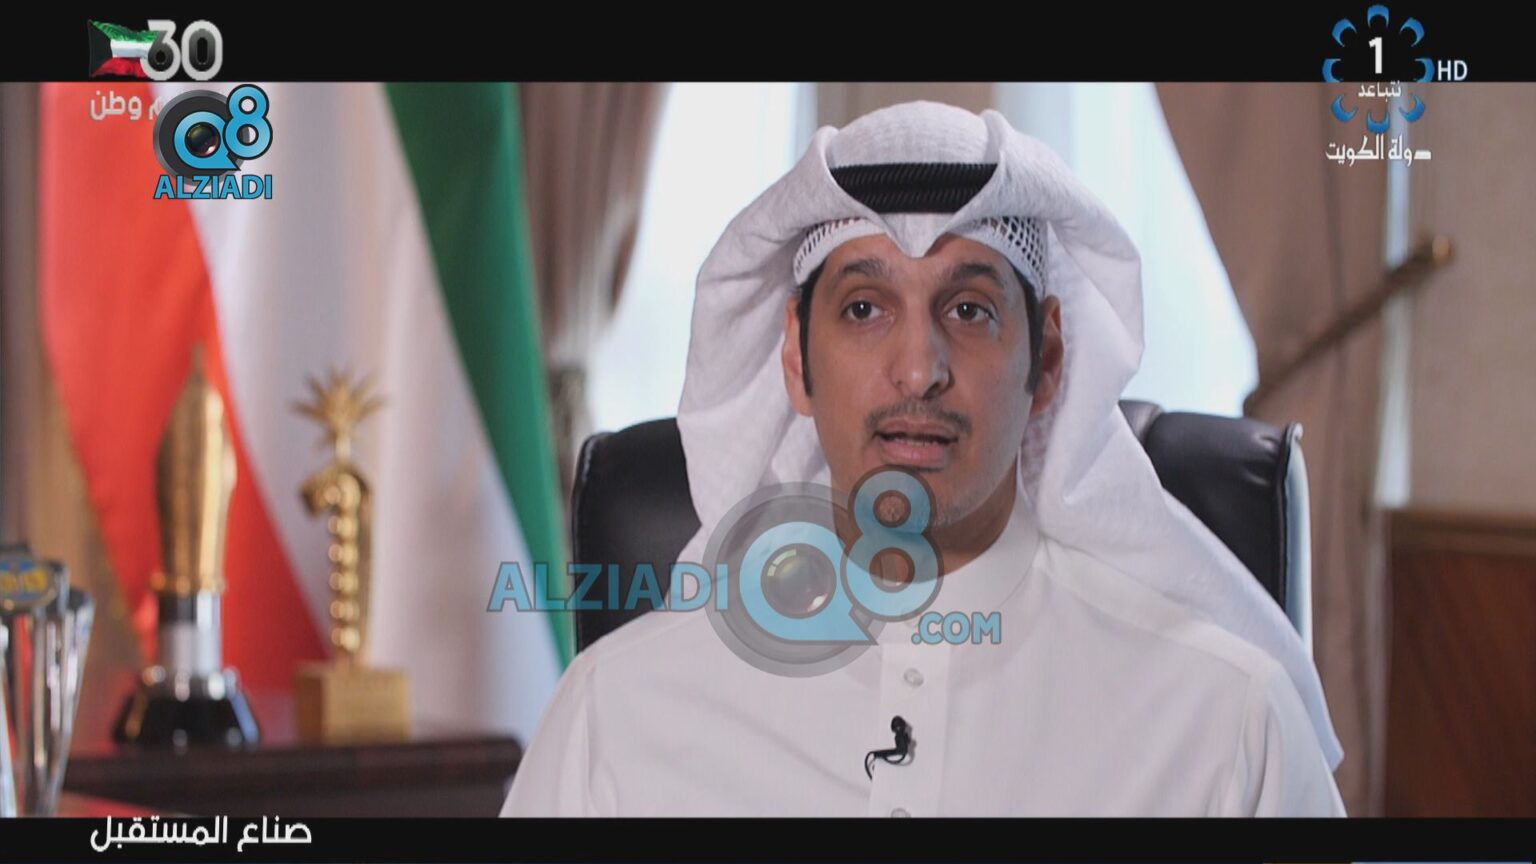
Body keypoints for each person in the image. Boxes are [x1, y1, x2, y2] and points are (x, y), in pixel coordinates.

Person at [501, 100, 1346, 816]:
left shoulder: (1227, 721)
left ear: (1048, 358)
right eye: (864, 308)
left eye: (969, 309)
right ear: (795, 357)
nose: (918, 369)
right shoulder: (617, 713)